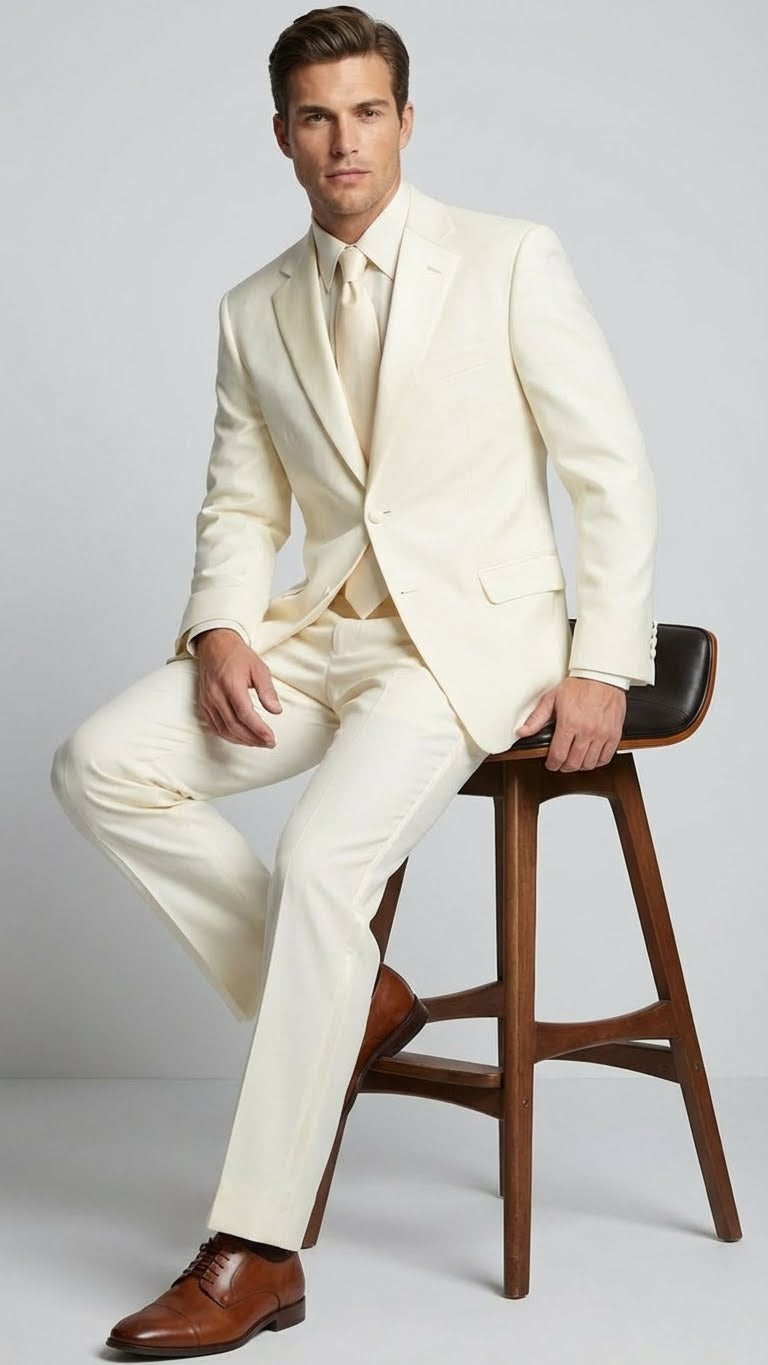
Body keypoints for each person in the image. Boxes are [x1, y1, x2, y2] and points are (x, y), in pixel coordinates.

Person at [50, 4, 658, 1355]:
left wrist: (605, 661)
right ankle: (354, 996)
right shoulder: (252, 306)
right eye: (317, 117)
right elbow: (239, 500)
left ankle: (258, 1248)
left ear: (406, 121)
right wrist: (219, 628)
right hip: (322, 634)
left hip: (469, 647)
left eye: (368, 112)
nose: (345, 141)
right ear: (282, 135)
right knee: (98, 763)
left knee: (325, 858)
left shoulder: (507, 257)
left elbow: (608, 467)